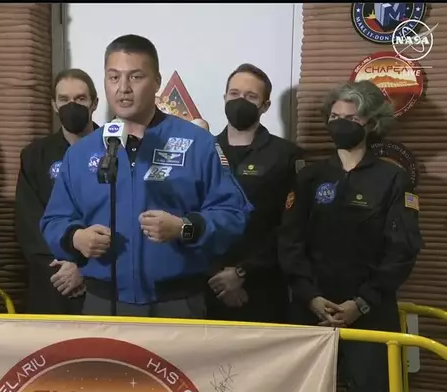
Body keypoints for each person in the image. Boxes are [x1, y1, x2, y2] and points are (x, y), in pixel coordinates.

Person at [40, 34, 253, 318]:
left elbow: (233, 213)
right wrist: (75, 238)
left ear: (156, 82)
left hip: (178, 302)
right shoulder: (81, 153)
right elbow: (54, 220)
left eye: (135, 77)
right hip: (102, 303)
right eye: (114, 77)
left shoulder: (196, 143)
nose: (123, 89)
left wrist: (184, 228)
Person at [278, 80, 423, 392]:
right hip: (310, 312)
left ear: (370, 123)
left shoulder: (392, 179)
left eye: (350, 119)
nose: (339, 125)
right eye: (334, 117)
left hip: (370, 313)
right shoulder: (309, 177)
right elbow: (290, 242)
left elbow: (402, 250)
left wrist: (362, 302)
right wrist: (310, 296)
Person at [206, 64, 305, 324]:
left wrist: (241, 273)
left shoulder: (286, 156)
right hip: (206, 288)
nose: (240, 101)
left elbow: (292, 227)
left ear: (265, 105)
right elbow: (189, 216)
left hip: (263, 290)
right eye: (234, 94)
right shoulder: (202, 152)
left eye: (251, 97)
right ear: (225, 97)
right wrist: (217, 276)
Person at [15, 68, 100, 314]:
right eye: (64, 99)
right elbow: (28, 221)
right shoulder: (34, 155)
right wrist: (64, 267)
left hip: (103, 283)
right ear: (54, 104)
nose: (71, 105)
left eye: (80, 99)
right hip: (53, 280)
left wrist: (84, 269)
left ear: (94, 103)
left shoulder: (117, 150)